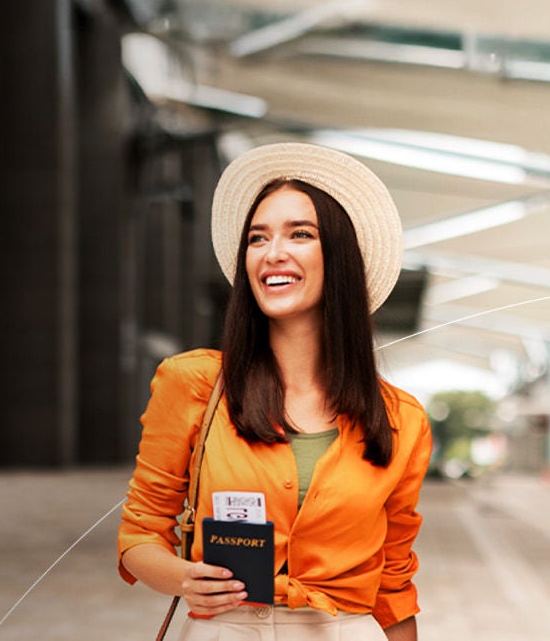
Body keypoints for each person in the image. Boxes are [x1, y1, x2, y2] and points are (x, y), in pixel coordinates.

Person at [118, 143, 432, 641]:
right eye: (257, 238)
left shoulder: (401, 419)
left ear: (340, 257)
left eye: (300, 234)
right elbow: (139, 534)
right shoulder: (194, 384)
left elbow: (393, 580)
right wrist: (185, 579)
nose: (273, 252)